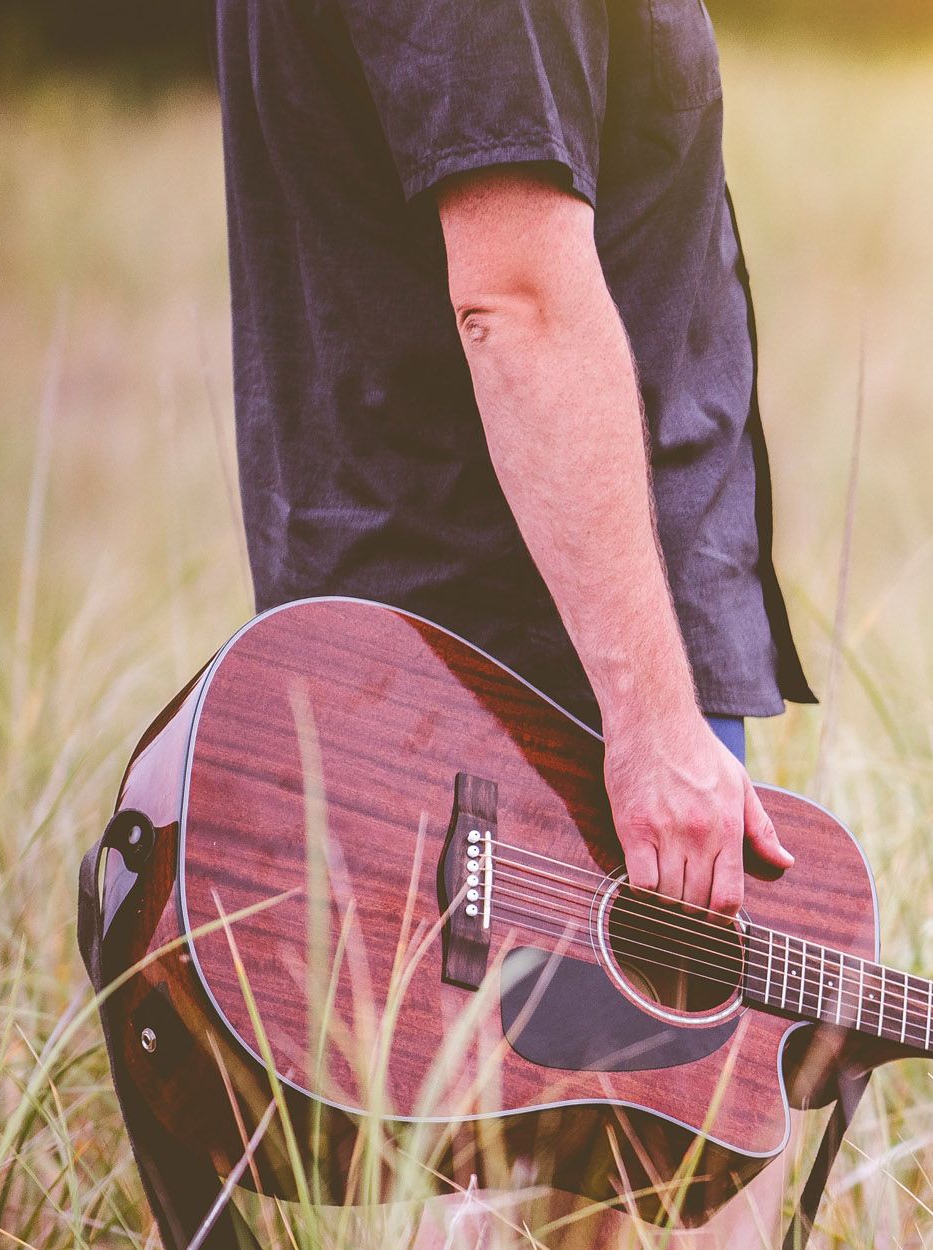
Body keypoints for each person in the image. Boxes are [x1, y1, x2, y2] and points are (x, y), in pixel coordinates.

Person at [168, 0, 814, 1243]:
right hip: (530, 686)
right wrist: (650, 719)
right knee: (628, 1206)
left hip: (492, 665)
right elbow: (514, 297)